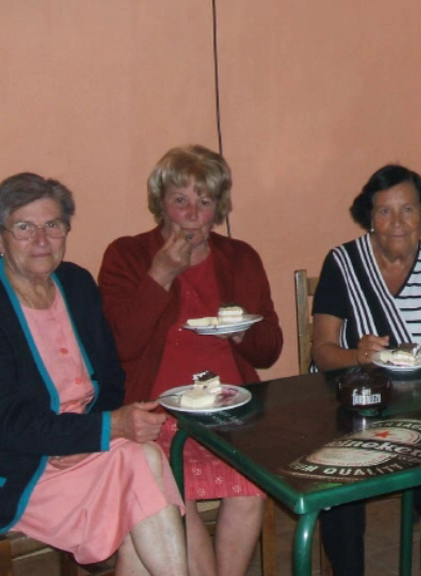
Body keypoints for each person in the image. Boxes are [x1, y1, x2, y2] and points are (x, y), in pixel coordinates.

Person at [98, 145, 283, 576]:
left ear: (219, 207)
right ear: (160, 202)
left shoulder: (240, 258)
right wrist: (160, 273)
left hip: (232, 411)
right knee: (176, 493)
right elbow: (120, 346)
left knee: (251, 485)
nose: (192, 215)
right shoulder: (126, 255)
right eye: (180, 200)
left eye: (205, 201)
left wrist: (243, 331)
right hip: (154, 413)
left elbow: (270, 349)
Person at [0, 173, 187, 575]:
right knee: (142, 462)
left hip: (86, 449)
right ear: (2, 236)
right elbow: (7, 422)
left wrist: (90, 436)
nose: (41, 240)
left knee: (140, 466)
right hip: (20, 467)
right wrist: (99, 431)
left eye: (53, 225)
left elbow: (111, 376)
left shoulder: (76, 284)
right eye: (24, 227)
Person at [311, 164, 421, 576]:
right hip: (356, 404)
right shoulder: (343, 263)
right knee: (341, 481)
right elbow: (322, 353)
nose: (397, 222)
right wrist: (357, 355)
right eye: (384, 211)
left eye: (408, 210)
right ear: (370, 217)